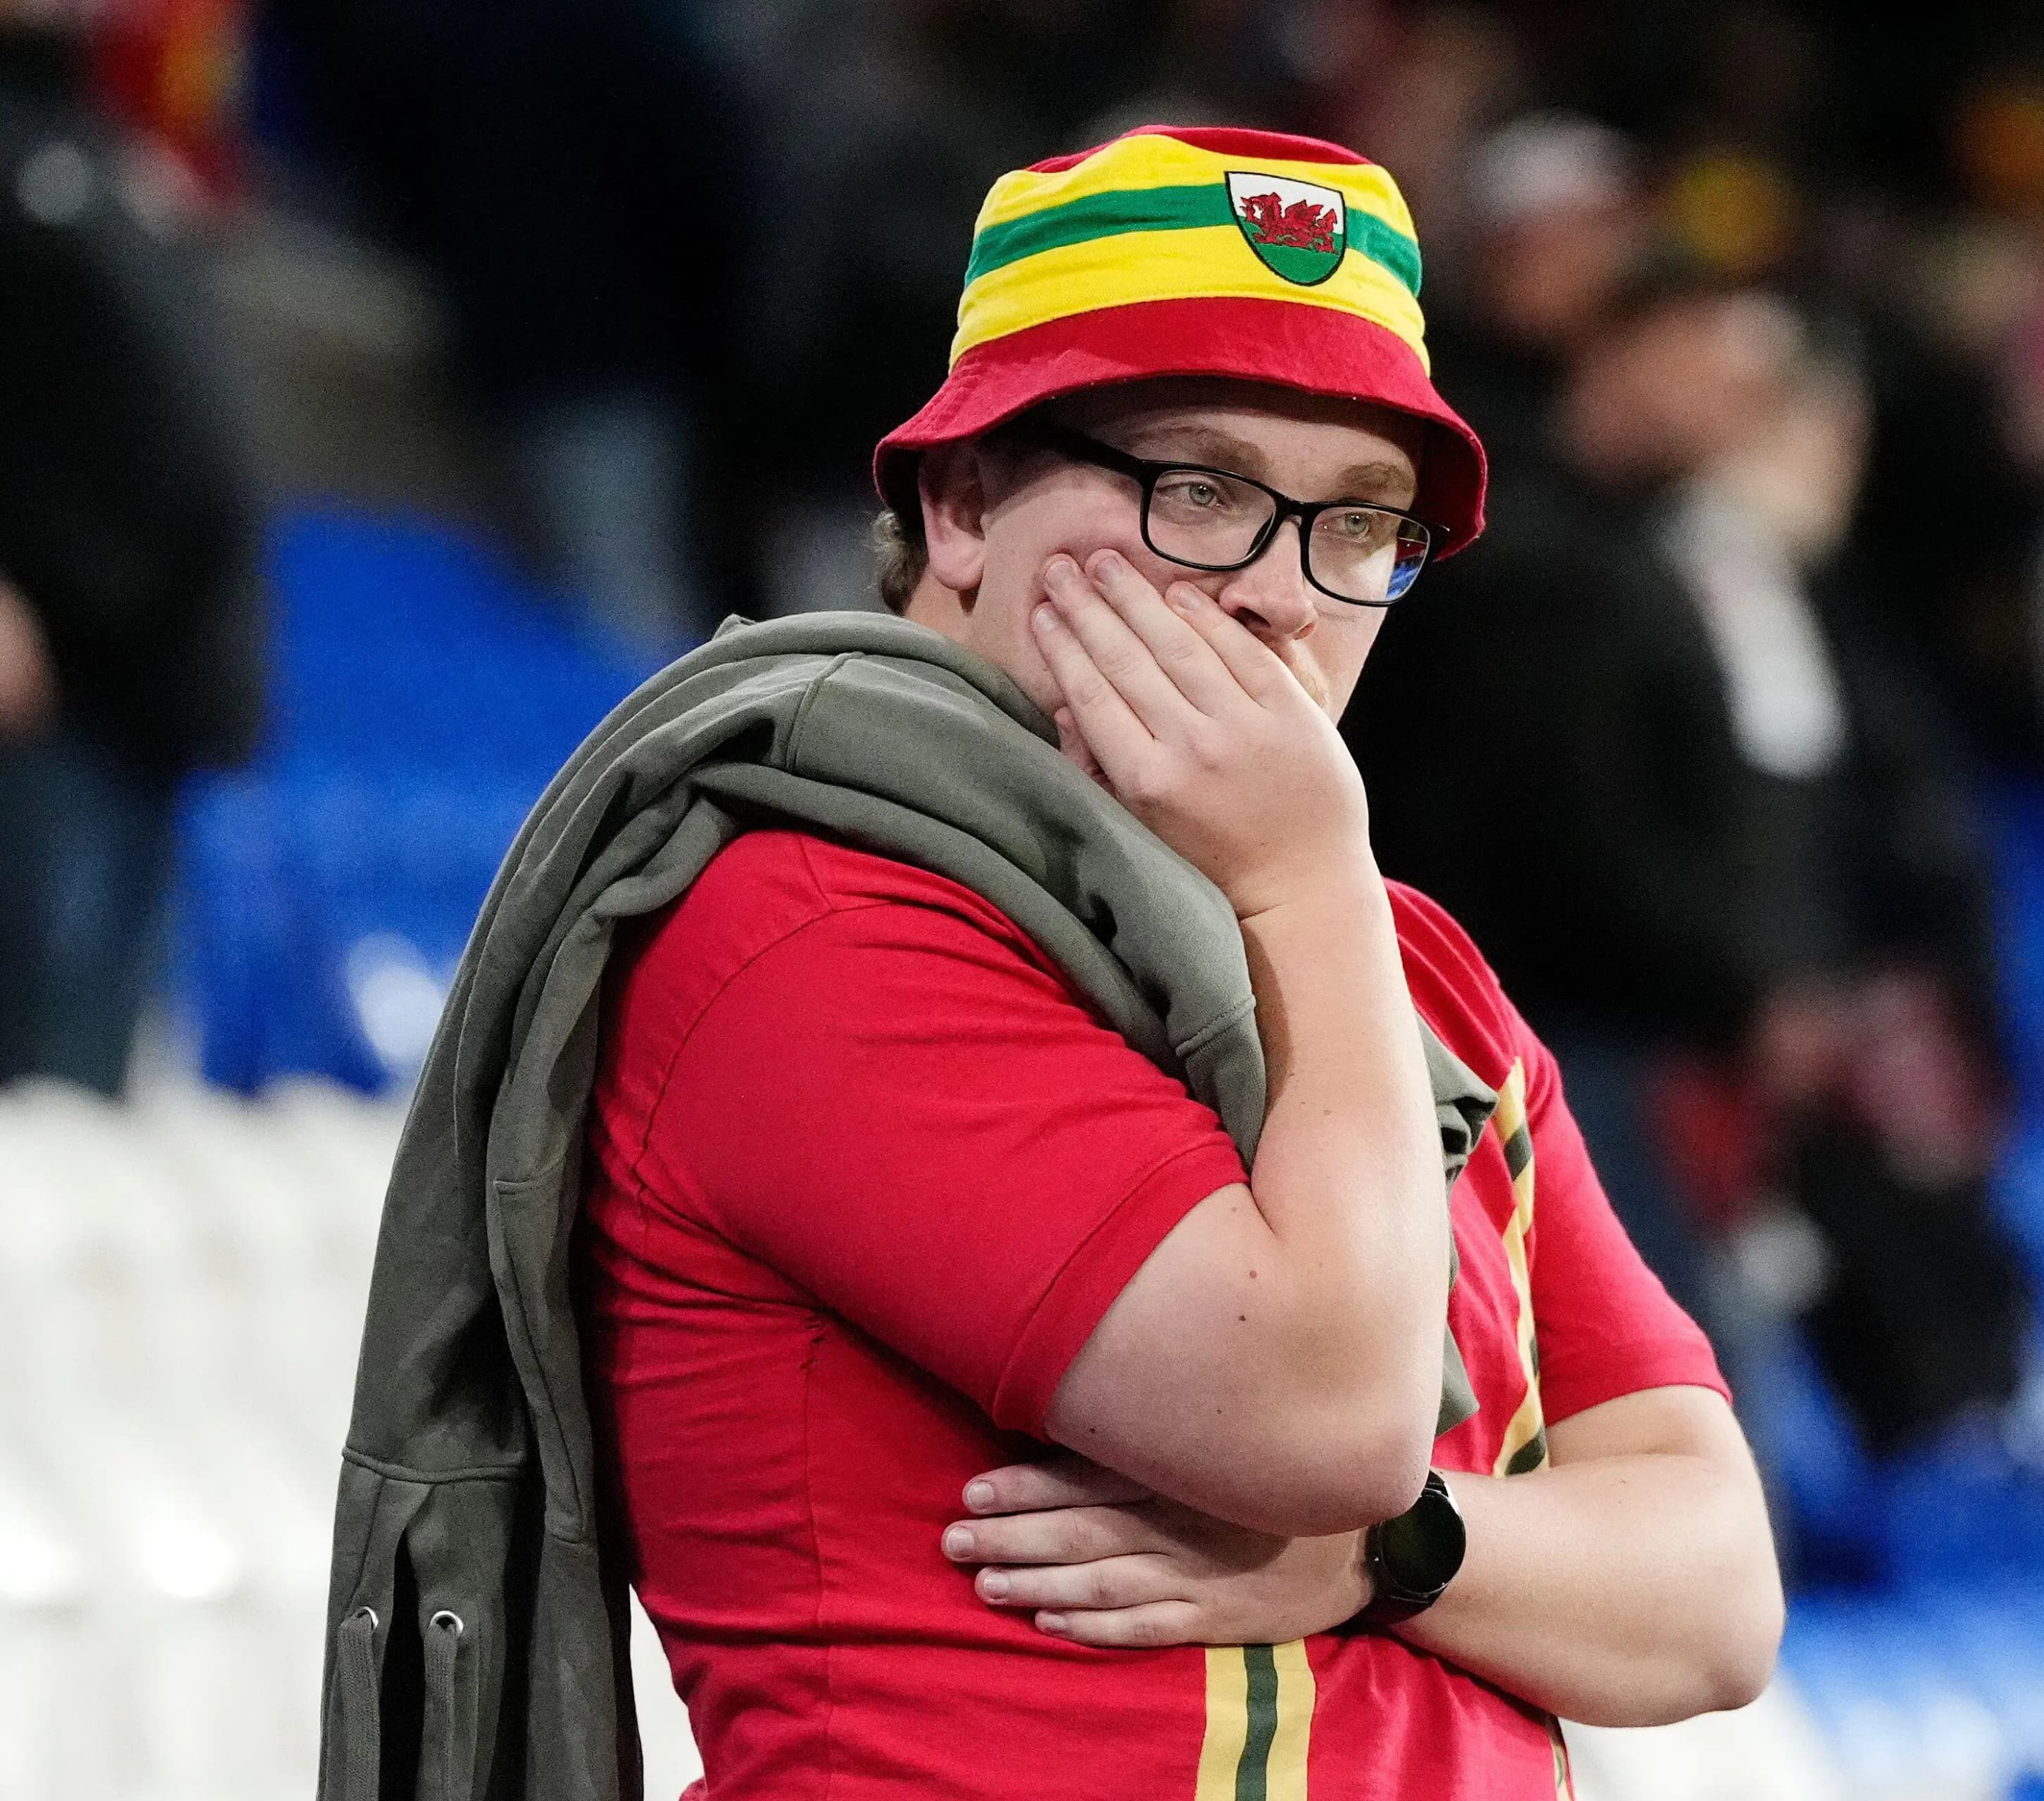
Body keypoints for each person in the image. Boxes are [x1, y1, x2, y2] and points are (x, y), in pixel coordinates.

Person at [574, 125, 1781, 1797]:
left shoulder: (1405, 972)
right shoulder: (809, 919)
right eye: (1201, 488)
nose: (1285, 596)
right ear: (964, 499)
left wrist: (1393, 1554)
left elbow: (1716, 1592)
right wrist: (1301, 876)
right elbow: (1327, 1417)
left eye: (1359, 523)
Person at [0, 1, 262, 1092]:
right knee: (37, 1082)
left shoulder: (108, 151)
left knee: (90, 1082)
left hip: (144, 694)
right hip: (40, 692)